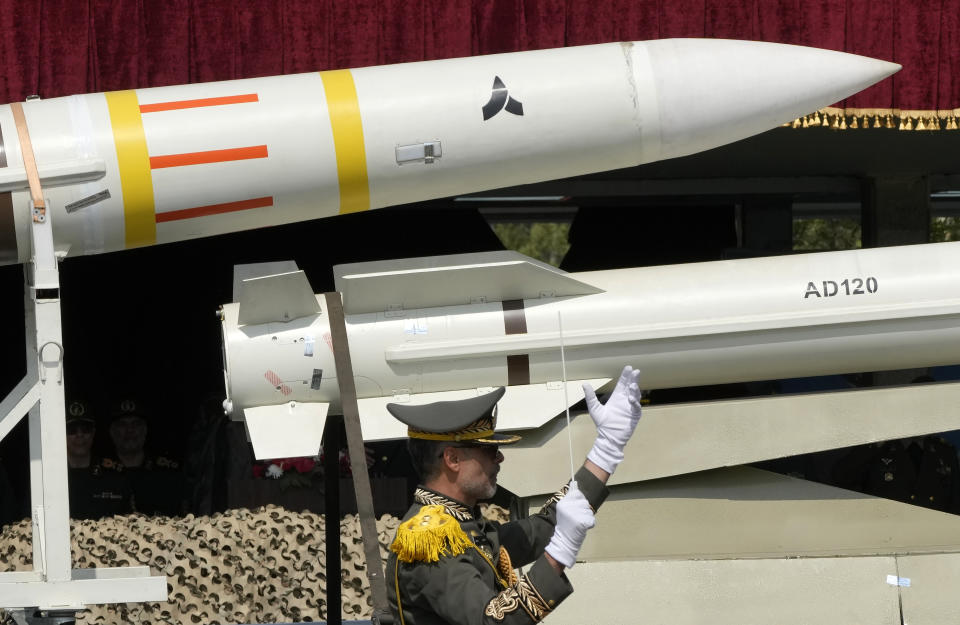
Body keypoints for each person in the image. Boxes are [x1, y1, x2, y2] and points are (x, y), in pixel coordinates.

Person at [385, 365, 642, 624]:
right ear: (452, 459)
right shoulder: (430, 540)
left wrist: (607, 449)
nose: (499, 457)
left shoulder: (459, 525)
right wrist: (561, 551)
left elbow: (543, 528)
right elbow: (495, 621)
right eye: (489, 450)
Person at [101, 399, 185, 516]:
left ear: (145, 429)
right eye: (122, 425)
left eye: (136, 424)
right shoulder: (100, 473)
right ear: (112, 431)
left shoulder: (167, 472)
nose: (130, 430)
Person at [65, 399, 129, 519]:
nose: (80, 435)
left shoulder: (114, 476)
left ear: (93, 433)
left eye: (85, 429)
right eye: (72, 430)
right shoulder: (49, 476)